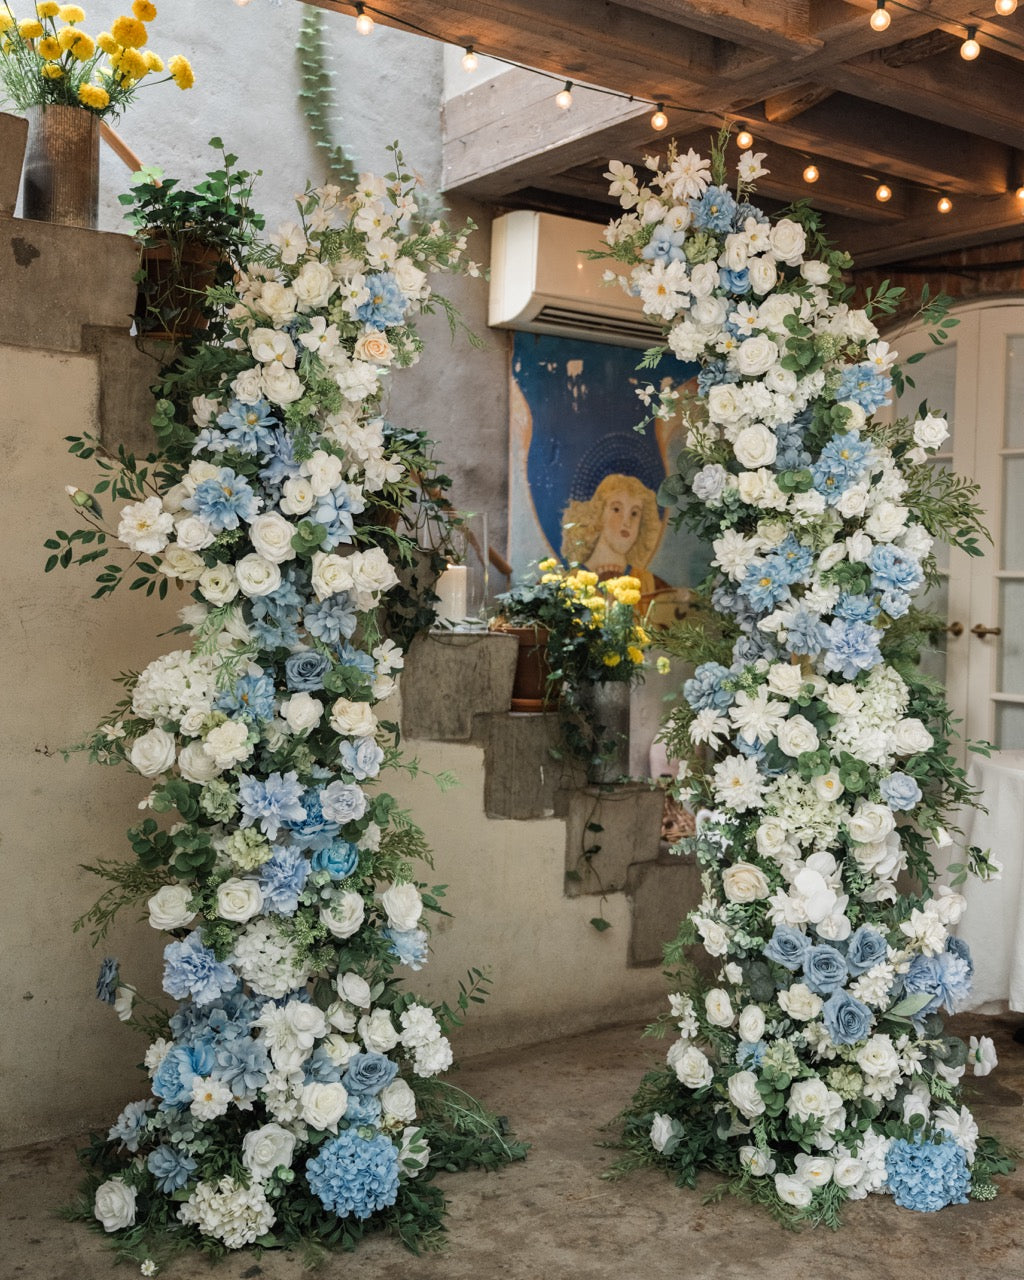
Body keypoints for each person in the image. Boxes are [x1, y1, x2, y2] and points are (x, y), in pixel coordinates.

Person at [560, 473, 663, 595]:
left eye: (634, 514)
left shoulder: (650, 584)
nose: (626, 522)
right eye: (616, 509)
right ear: (599, 514)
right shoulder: (567, 584)